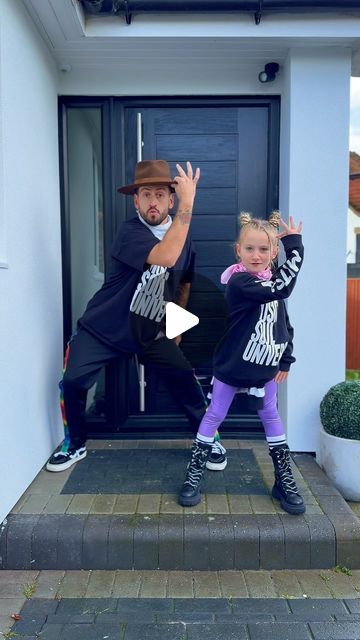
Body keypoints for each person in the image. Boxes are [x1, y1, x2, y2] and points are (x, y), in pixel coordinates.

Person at [46, 160, 226, 472]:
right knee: (73, 381)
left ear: (170, 199)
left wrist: (176, 325)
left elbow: (183, 283)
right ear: (136, 200)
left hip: (150, 331)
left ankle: (208, 437)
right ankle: (74, 444)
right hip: (104, 327)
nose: (153, 201)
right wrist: (190, 202)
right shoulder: (130, 231)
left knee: (186, 379)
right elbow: (166, 256)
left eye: (160, 194)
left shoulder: (186, 240)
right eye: (146, 194)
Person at [178, 211, 305, 515]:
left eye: (264, 249)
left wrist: (286, 359)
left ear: (274, 252)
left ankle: (283, 479)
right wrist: (297, 248)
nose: (257, 255)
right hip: (232, 367)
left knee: (271, 417)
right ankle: (194, 473)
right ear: (239, 251)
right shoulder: (240, 281)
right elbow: (281, 288)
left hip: (265, 370)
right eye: (250, 249)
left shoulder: (272, 280)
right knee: (214, 415)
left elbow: (283, 323)